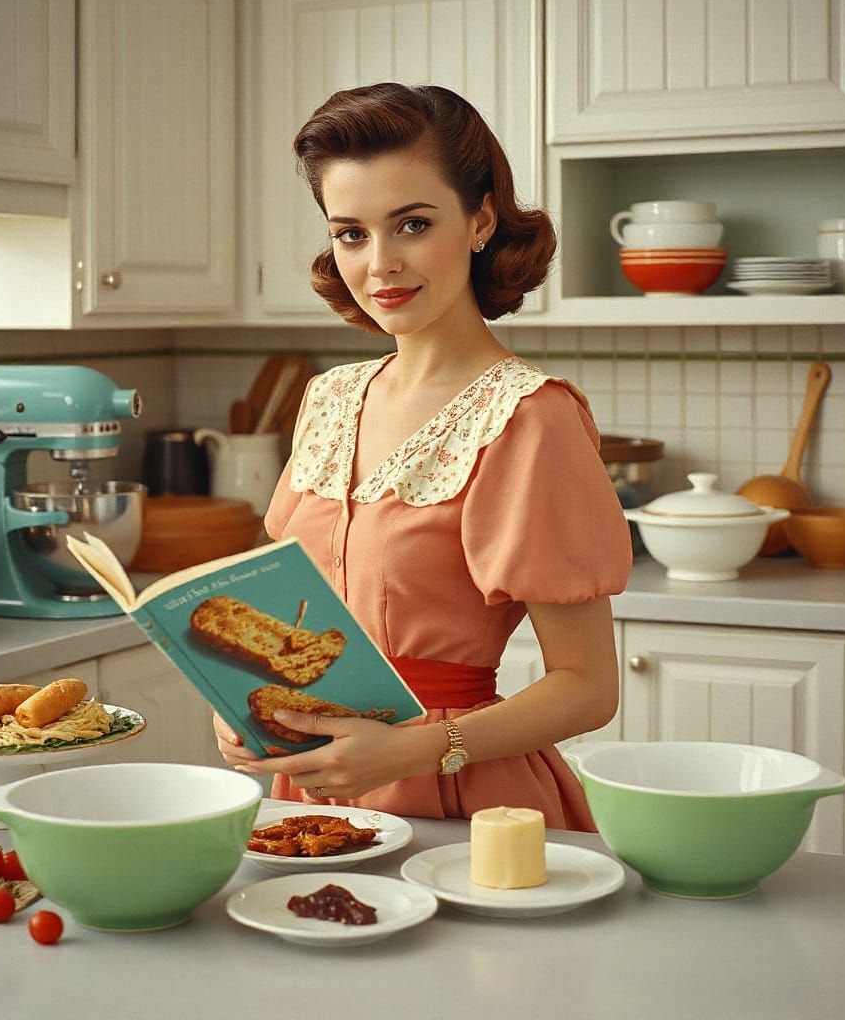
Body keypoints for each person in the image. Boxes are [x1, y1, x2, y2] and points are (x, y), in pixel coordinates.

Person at [213, 83, 632, 829]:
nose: (381, 265)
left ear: (480, 221)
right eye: (351, 233)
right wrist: (241, 702)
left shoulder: (528, 418)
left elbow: (589, 687)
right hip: (312, 794)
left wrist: (410, 753)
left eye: (411, 224)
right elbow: (281, 622)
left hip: (464, 804)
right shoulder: (330, 397)